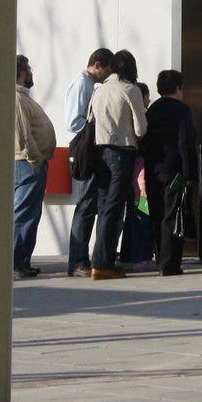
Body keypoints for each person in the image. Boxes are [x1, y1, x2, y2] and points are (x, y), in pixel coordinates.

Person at [83, 50, 147, 280]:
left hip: (100, 153)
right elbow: (141, 128)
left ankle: (99, 259)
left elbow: (90, 120)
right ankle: (102, 264)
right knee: (114, 208)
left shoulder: (98, 91)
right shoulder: (130, 90)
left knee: (104, 208)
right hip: (122, 153)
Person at [141, 69, 197, 276]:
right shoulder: (182, 110)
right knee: (173, 215)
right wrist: (189, 174)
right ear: (178, 87)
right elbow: (185, 143)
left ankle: (159, 257)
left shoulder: (152, 110)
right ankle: (170, 263)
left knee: (156, 214)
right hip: (175, 172)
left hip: (153, 169)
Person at [65, 48, 115, 276]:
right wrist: (94, 130)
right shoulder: (83, 84)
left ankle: (81, 258)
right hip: (86, 149)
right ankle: (77, 261)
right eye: (107, 69)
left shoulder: (89, 84)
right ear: (97, 64)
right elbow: (75, 122)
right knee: (85, 206)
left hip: (88, 148)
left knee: (89, 205)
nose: (108, 74)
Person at [12, 55, 56, 279]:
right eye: (28, 69)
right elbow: (23, 135)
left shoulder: (22, 98)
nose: (31, 73)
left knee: (29, 214)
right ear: (21, 72)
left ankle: (21, 261)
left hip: (28, 163)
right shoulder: (17, 99)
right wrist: (35, 159)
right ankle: (16, 262)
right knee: (24, 214)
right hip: (27, 164)